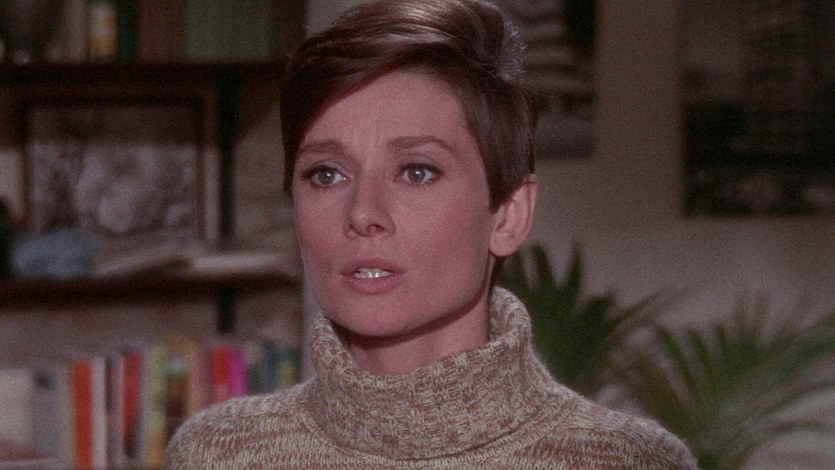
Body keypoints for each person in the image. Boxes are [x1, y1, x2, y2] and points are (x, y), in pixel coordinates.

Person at [164, 0, 697, 468]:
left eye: (417, 172)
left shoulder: (627, 461)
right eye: (326, 175)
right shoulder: (218, 454)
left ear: (508, 215)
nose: (363, 214)